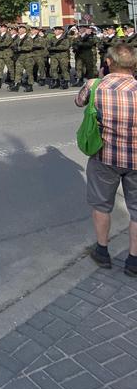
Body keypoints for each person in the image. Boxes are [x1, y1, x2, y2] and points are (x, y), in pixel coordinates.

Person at [75, 43, 137, 276]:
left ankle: (102, 251)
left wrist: (100, 78)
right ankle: (133, 260)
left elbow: (79, 102)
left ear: (108, 63)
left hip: (105, 156)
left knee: (101, 205)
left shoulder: (95, 86)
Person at [12, 25, 35, 92]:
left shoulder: (28, 38)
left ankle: (30, 86)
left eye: (22, 28)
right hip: (19, 57)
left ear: (25, 30)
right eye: (19, 28)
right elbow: (14, 44)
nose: (19, 29)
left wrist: (19, 48)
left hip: (27, 58)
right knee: (18, 72)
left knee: (29, 72)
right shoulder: (18, 38)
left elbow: (30, 47)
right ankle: (16, 85)